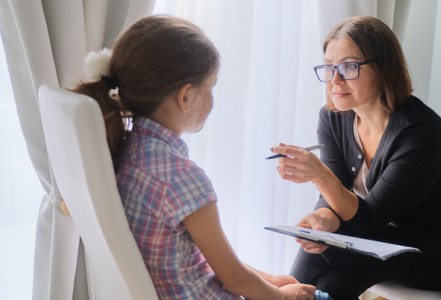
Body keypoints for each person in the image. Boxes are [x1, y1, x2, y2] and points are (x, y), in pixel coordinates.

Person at [72, 15, 318, 300]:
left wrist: (269, 281)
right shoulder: (181, 177)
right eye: (211, 86)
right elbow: (235, 279)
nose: (213, 97)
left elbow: (206, 259)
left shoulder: (128, 151)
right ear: (186, 97)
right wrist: (284, 297)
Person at [270, 16, 441, 299]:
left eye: (349, 67)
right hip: (383, 239)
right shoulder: (333, 117)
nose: (335, 80)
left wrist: (318, 175)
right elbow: (338, 193)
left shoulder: (421, 134)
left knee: (328, 252)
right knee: (330, 268)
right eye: (329, 67)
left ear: (384, 69)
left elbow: (366, 220)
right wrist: (321, 220)